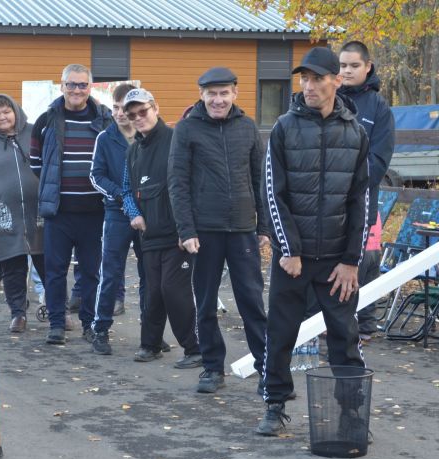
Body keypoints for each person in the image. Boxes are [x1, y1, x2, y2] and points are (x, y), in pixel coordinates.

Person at [256, 47, 369, 436]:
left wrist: (351, 260)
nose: (309, 87)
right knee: (282, 333)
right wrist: (288, 250)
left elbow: (360, 200)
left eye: (317, 79)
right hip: (294, 259)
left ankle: (353, 415)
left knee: (345, 337)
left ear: (336, 80)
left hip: (337, 260)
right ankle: (274, 405)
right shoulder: (284, 128)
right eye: (303, 79)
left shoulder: (356, 132)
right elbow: (273, 194)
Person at [168, 67, 270, 392]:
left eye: (224, 93)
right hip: (204, 232)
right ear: (201, 95)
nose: (218, 99)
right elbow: (178, 183)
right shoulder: (186, 129)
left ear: (235, 94)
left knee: (252, 301)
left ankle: (269, 369)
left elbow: (261, 180)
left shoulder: (248, 127)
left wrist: (264, 226)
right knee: (206, 301)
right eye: (211, 93)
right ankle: (212, 368)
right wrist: (186, 231)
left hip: (242, 229)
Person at [30, 63, 112, 345]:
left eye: (82, 85)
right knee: (55, 271)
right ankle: (56, 324)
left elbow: (114, 159)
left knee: (91, 272)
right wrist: (58, 184)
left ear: (90, 88)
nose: (76, 90)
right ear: (61, 85)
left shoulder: (105, 120)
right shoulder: (46, 120)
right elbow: (36, 164)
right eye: (71, 84)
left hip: (96, 212)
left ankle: (89, 323)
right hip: (59, 213)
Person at [121, 89, 201, 364]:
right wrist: (134, 213)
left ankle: (194, 348)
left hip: (177, 234)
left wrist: (187, 229)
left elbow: (190, 184)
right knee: (153, 290)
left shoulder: (176, 140)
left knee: (172, 289)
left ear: (155, 107)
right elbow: (127, 188)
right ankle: (150, 343)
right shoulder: (133, 150)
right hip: (149, 233)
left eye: (143, 111)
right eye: (132, 115)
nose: (138, 118)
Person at [0, 94, 44, 333]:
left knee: (49, 263)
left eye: (6, 111)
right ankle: (18, 313)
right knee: (12, 267)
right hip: (3, 214)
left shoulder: (35, 133)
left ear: (15, 111)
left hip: (39, 212)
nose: (2, 117)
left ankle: (58, 311)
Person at [339, 40, 395, 341]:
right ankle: (325, 322)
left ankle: (365, 325)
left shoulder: (379, 107)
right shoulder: (328, 98)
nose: (347, 71)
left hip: (363, 200)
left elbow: (380, 159)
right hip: (328, 203)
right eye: (343, 65)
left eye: (354, 66)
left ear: (367, 66)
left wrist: (349, 181)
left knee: (366, 263)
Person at [88, 83, 149, 356]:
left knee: (151, 276)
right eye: (114, 108)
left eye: (125, 108)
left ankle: (151, 333)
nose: (119, 113)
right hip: (116, 213)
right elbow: (96, 175)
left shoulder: (150, 135)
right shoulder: (105, 137)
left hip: (149, 214)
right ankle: (100, 329)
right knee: (110, 273)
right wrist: (120, 196)